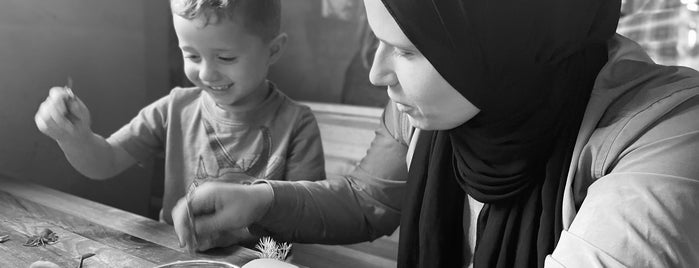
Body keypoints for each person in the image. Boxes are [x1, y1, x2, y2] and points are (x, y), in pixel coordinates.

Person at [172, 0, 699, 266]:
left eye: (406, 50)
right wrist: (258, 202)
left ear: (499, 43)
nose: (378, 74)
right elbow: (368, 200)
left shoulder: (665, 134)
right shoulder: (435, 108)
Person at [34, 0, 325, 233]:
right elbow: (105, 161)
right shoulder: (175, 108)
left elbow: (309, 216)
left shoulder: (297, 124)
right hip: (178, 254)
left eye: (226, 58)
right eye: (192, 55)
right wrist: (74, 137)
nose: (207, 73)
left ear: (272, 50)